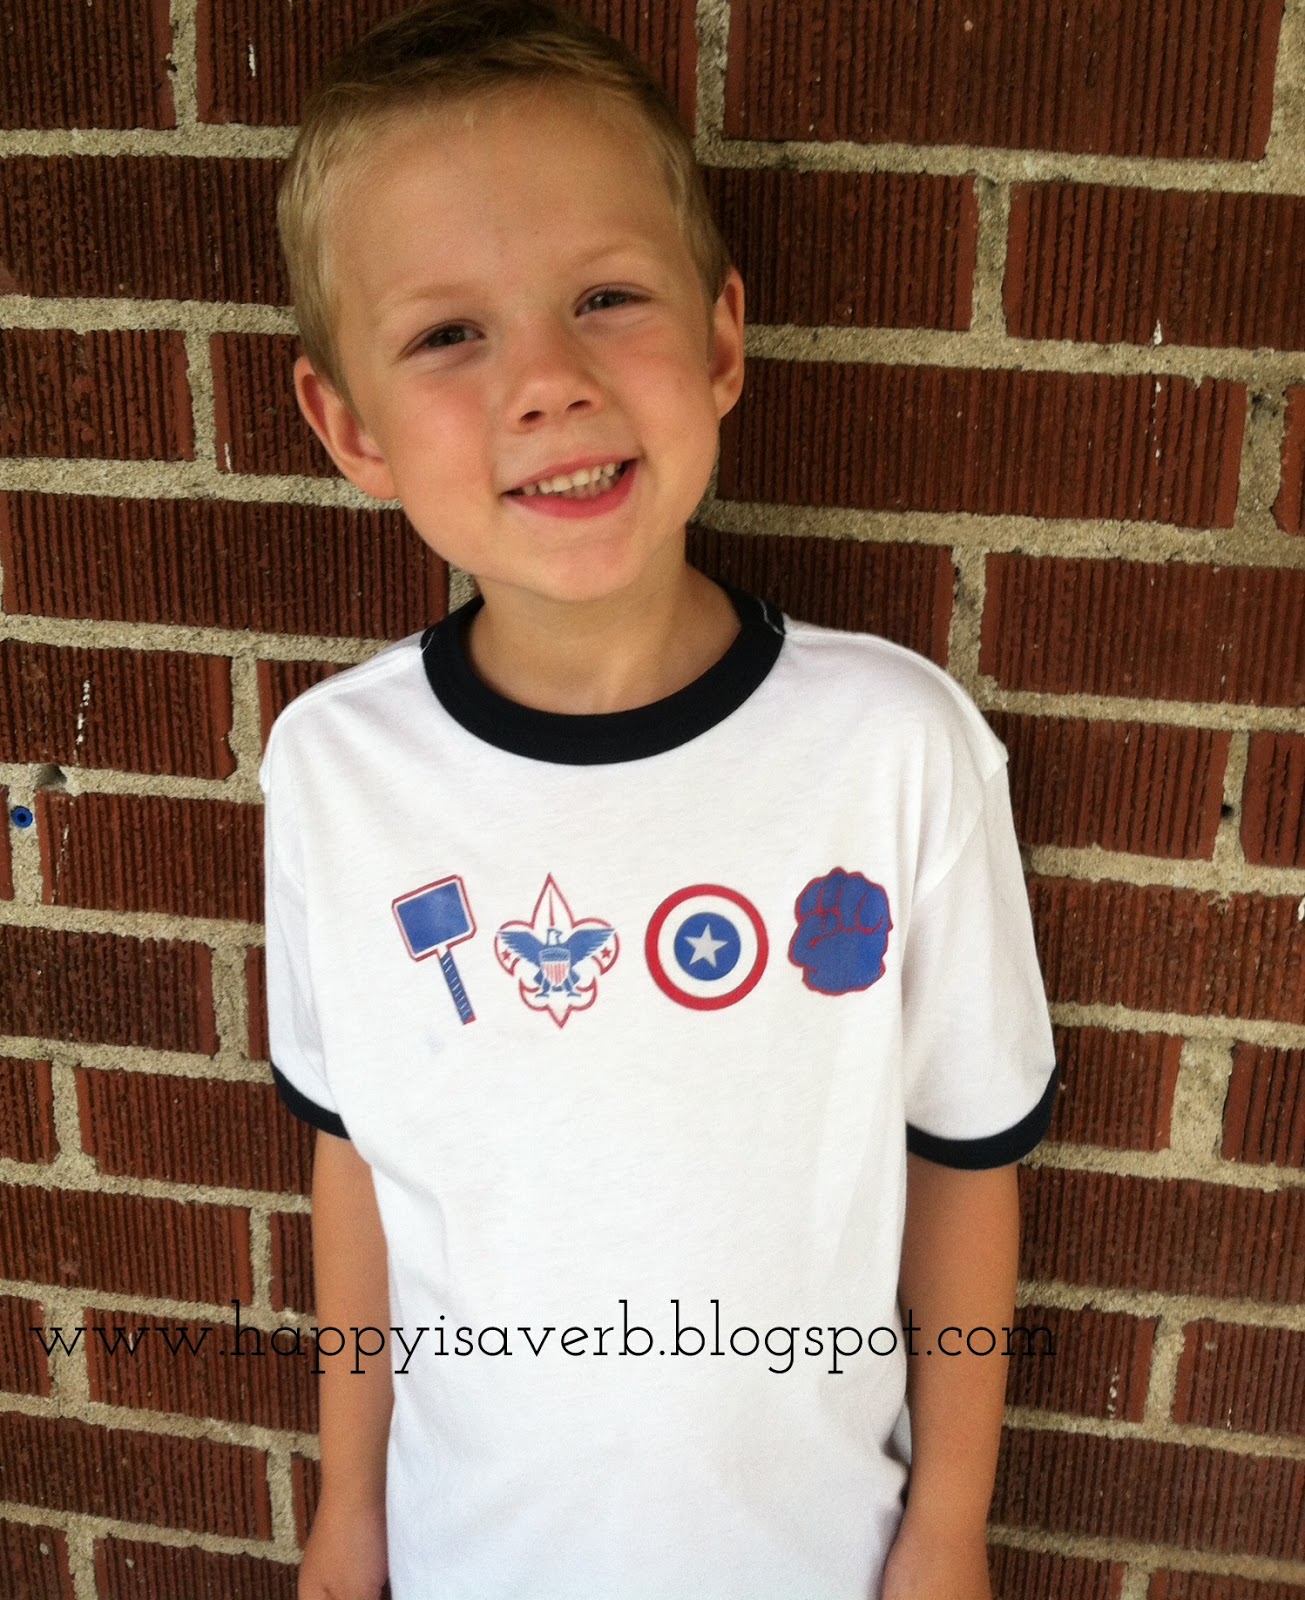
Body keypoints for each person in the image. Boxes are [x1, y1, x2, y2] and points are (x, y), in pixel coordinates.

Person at [261, 3, 1059, 1596]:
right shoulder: (334, 772)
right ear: (349, 428)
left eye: (605, 298)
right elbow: (355, 1157)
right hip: (468, 1560)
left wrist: (948, 1530)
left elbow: (967, 1160)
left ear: (718, 341)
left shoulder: (892, 750)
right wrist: (348, 1512)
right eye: (448, 333)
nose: (547, 383)